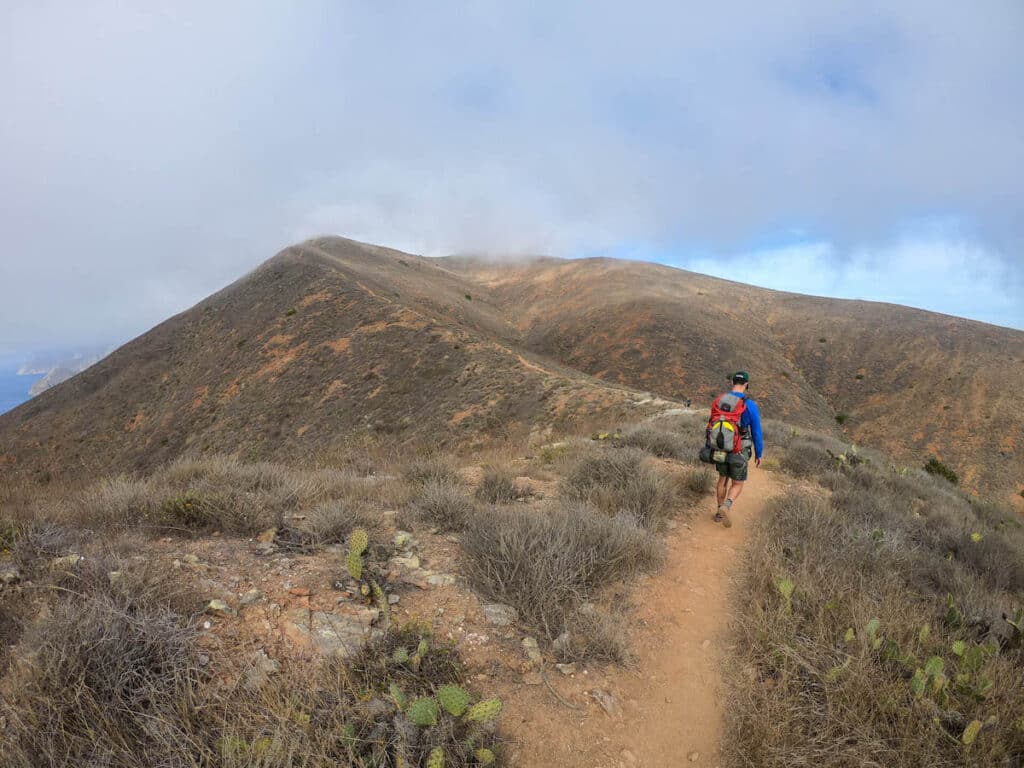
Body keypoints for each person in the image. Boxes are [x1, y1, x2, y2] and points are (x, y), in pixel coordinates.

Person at [711, 371, 763, 527]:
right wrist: (759, 453)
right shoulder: (750, 405)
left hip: (720, 447)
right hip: (739, 449)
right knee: (738, 483)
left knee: (722, 479)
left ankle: (719, 513)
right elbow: (757, 431)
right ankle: (727, 506)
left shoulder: (719, 400)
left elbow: (711, 423)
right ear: (746, 384)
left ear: (732, 382)